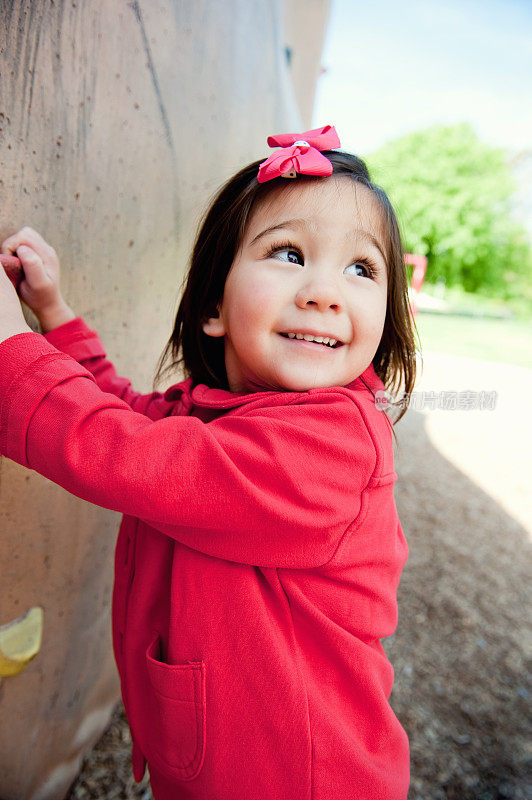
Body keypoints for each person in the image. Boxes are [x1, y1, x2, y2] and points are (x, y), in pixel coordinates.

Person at [0, 125, 417, 799]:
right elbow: (134, 418)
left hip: (299, 779)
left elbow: (129, 456)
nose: (324, 291)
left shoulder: (332, 447)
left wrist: (8, 355)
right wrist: (53, 315)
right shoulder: (224, 413)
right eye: (289, 253)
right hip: (223, 759)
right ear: (214, 307)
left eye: (362, 268)